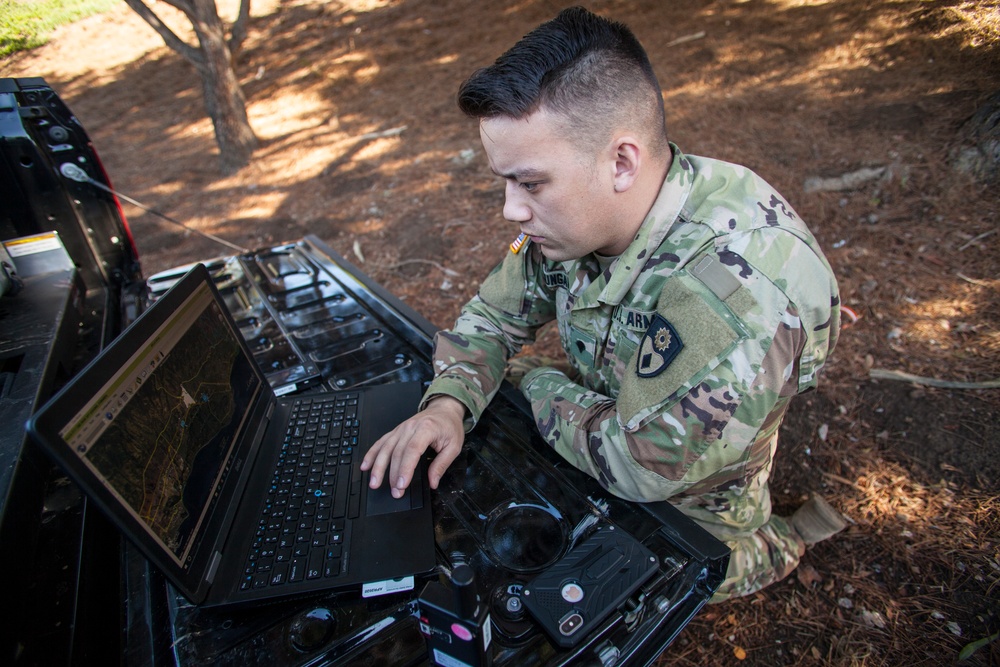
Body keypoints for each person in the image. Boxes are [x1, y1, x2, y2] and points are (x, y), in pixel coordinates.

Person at [361, 6, 845, 602]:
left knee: (664, 582)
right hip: (615, 399)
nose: (511, 210)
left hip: (694, 484)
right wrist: (447, 407)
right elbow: (494, 316)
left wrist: (540, 385)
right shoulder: (575, 221)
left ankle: (779, 543)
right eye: (505, 182)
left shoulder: (732, 292)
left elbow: (644, 466)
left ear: (621, 162)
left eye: (531, 183)